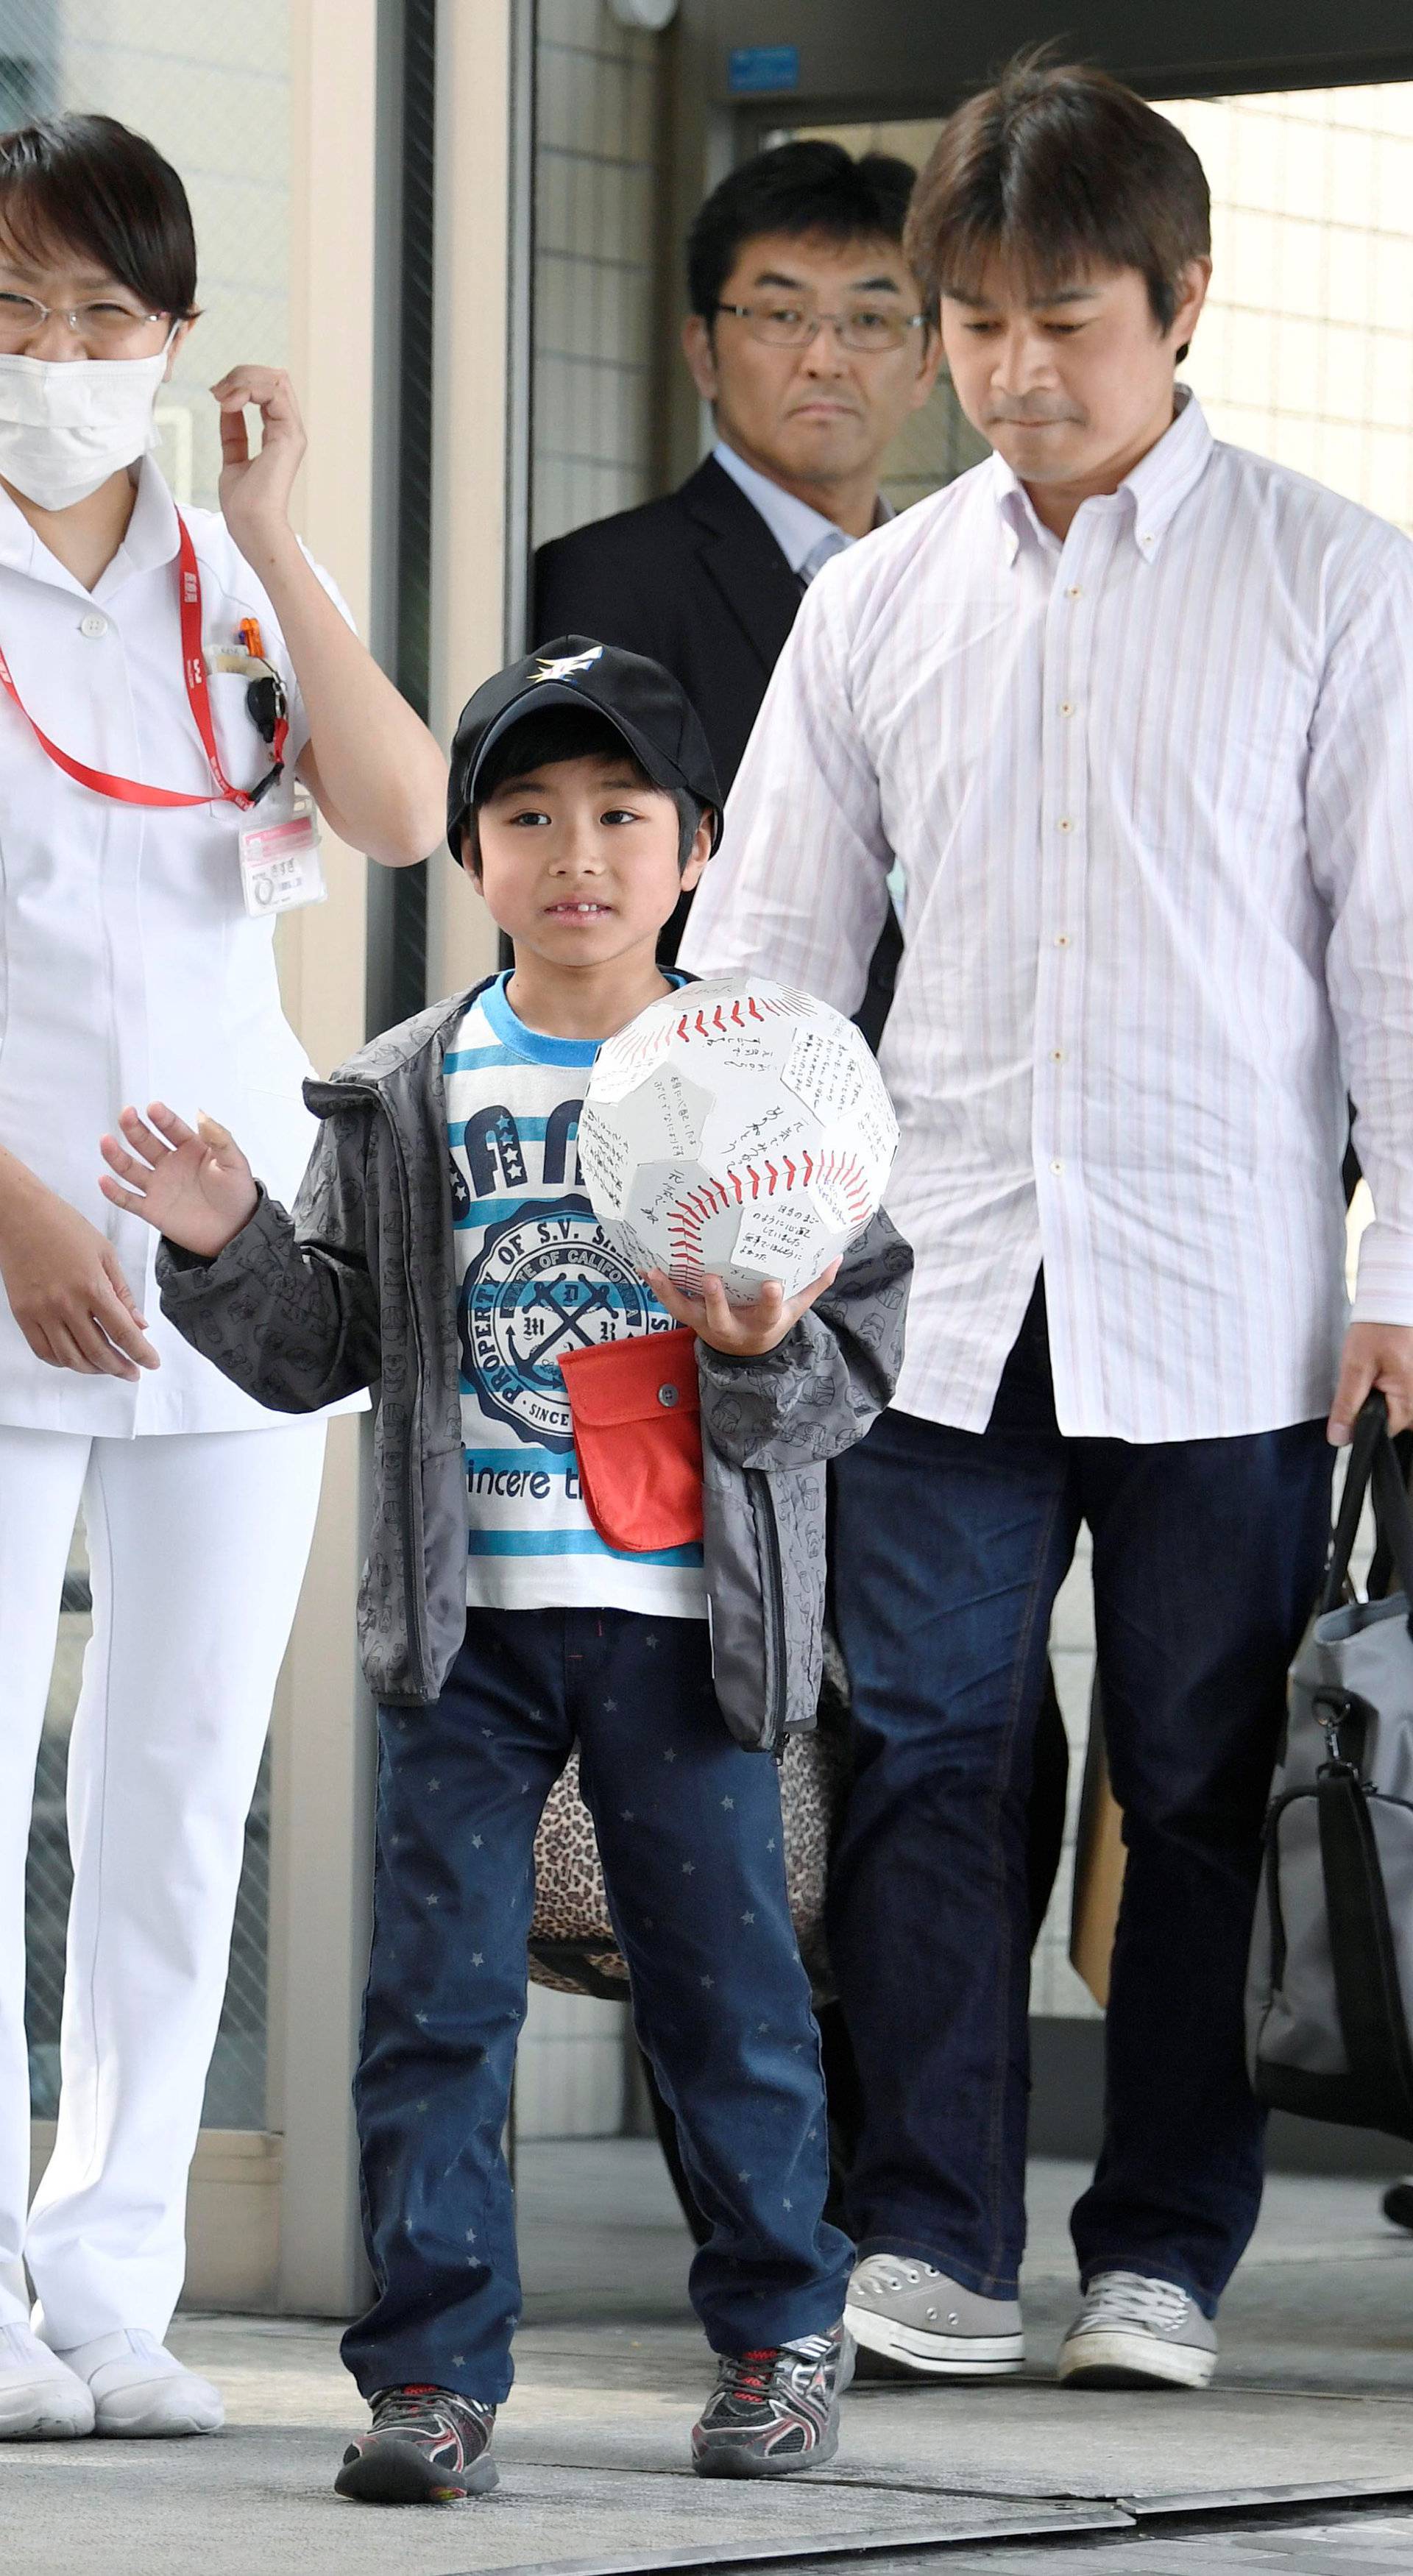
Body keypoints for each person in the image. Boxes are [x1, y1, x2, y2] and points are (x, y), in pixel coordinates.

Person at [679, 54, 1413, 2393]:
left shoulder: (1335, 578)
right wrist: (738, 1227)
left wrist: (1401, 1267)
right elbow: (769, 958)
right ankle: (921, 2228)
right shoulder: (881, 599)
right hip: (939, 1293)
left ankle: (1165, 2248)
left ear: (1182, 302)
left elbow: (1397, 952)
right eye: (971, 322)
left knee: (1195, 1778)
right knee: (920, 1752)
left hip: (1232, 1297)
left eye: (1062, 322)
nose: (1009, 372)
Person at [101, 637, 912, 2502]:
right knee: (436, 2007)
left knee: (729, 2001)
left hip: (684, 1638)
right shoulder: (403, 1088)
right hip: (465, 1635)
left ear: (696, 847)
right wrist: (226, 1243)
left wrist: (759, 1336)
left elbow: (845, 1379)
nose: (578, 855)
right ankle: (432, 2383)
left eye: (623, 814)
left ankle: (783, 2340)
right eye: (527, 816)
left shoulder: (778, 1080)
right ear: (468, 855)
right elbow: (321, 1351)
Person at [0, 113, 446, 2442]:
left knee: (173, 1786)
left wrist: (276, 530)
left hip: (234, 1265)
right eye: (14, 312)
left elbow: (388, 815)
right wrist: (11, 1201)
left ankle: (113, 2281)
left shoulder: (223, 579)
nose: (58, 357)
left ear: (175, 343)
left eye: (103, 319)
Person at [534, 139, 941, 996]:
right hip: (721, 1089)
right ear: (705, 351)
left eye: (870, 320)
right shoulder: (604, 583)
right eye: (781, 315)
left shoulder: (966, 587)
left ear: (929, 362)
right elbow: (575, 895)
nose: (824, 358)